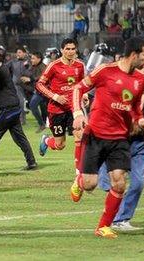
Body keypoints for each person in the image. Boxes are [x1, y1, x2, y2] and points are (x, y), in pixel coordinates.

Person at [70, 37, 144, 238]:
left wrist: (140, 120)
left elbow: (134, 109)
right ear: (134, 55)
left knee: (119, 182)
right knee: (90, 184)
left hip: (120, 139)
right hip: (96, 135)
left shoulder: (140, 79)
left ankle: (103, 226)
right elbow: (78, 88)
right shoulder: (105, 71)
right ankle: (79, 181)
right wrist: (78, 113)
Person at [36, 38, 85, 175]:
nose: (70, 52)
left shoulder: (80, 65)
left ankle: (79, 171)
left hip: (74, 108)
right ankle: (46, 140)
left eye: (73, 49)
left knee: (79, 136)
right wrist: (55, 96)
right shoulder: (54, 66)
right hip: (56, 110)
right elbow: (39, 84)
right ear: (62, 50)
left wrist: (84, 95)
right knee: (60, 145)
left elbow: (82, 84)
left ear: (76, 50)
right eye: (67, 49)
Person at [24, 52, 47, 133]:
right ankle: (43, 124)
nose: (31, 60)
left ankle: (42, 124)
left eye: (33, 58)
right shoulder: (33, 66)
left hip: (44, 91)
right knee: (43, 108)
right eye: (31, 58)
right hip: (38, 90)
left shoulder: (43, 66)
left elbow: (42, 77)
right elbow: (29, 74)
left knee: (33, 105)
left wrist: (30, 79)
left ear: (39, 59)